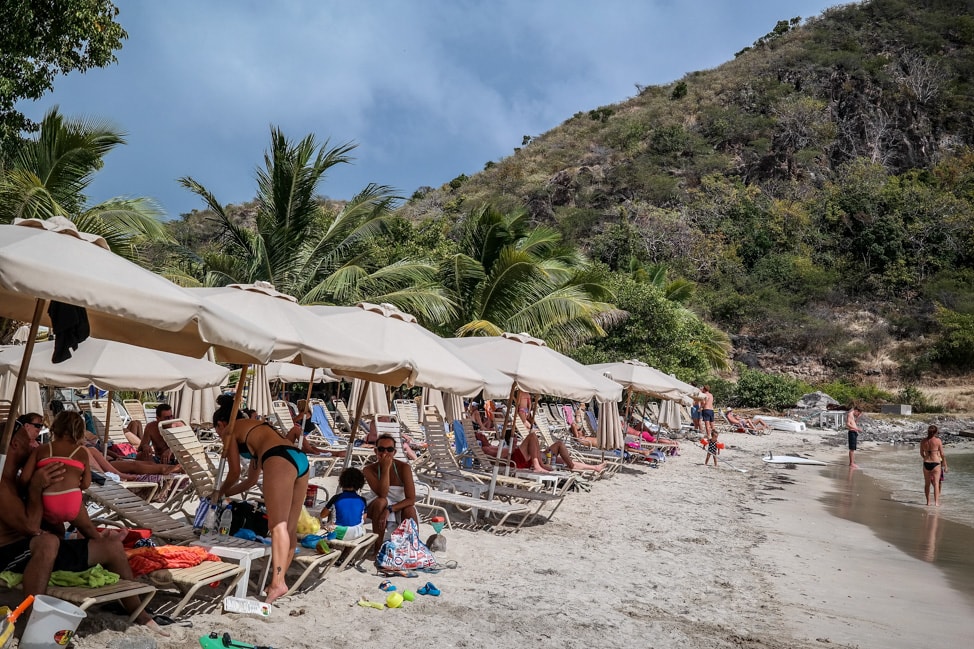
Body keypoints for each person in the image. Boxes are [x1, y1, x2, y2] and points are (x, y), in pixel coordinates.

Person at [0, 421, 165, 634]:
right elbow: (31, 527)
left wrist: (89, 531)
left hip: (40, 550)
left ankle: (140, 615)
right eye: (30, 440)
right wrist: (36, 487)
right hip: (8, 555)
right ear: (14, 444)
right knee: (48, 542)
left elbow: (58, 529)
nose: (35, 445)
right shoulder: (4, 484)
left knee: (111, 546)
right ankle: (36, 621)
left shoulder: (28, 475)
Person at [213, 397, 310, 604]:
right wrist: (225, 495)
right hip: (298, 458)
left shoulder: (229, 430)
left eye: (217, 432)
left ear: (220, 424)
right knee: (289, 528)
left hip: (278, 459)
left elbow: (234, 472)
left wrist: (219, 491)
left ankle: (277, 583)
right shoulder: (254, 425)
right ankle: (279, 580)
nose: (220, 437)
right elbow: (250, 480)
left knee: (277, 526)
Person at [19, 412, 96, 534]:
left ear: (54, 428)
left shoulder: (41, 449)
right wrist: (72, 483)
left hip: (47, 500)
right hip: (72, 500)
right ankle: (102, 541)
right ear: (80, 431)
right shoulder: (81, 452)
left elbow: (24, 479)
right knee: (89, 531)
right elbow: (86, 484)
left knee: (57, 533)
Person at [363, 434, 417, 559]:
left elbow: (411, 499)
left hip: (397, 505)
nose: (385, 453)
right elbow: (382, 494)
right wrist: (386, 468)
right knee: (381, 502)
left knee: (410, 510)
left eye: (389, 450)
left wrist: (390, 509)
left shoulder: (404, 468)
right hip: (377, 504)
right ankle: (377, 548)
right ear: (375, 451)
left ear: (395, 452)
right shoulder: (369, 469)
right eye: (381, 449)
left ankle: (412, 548)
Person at [322, 467, 367, 540]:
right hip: (357, 533)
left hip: (340, 532)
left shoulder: (336, 498)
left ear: (341, 482)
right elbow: (363, 519)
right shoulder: (362, 500)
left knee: (326, 526)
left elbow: (323, 515)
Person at [919, 424, 947, 506]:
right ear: (935, 432)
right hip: (936, 463)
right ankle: (936, 503)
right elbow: (942, 454)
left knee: (927, 484)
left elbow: (921, 453)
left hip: (926, 463)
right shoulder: (938, 441)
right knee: (936, 484)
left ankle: (928, 502)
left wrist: (925, 457)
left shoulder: (923, 441)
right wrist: (945, 464)